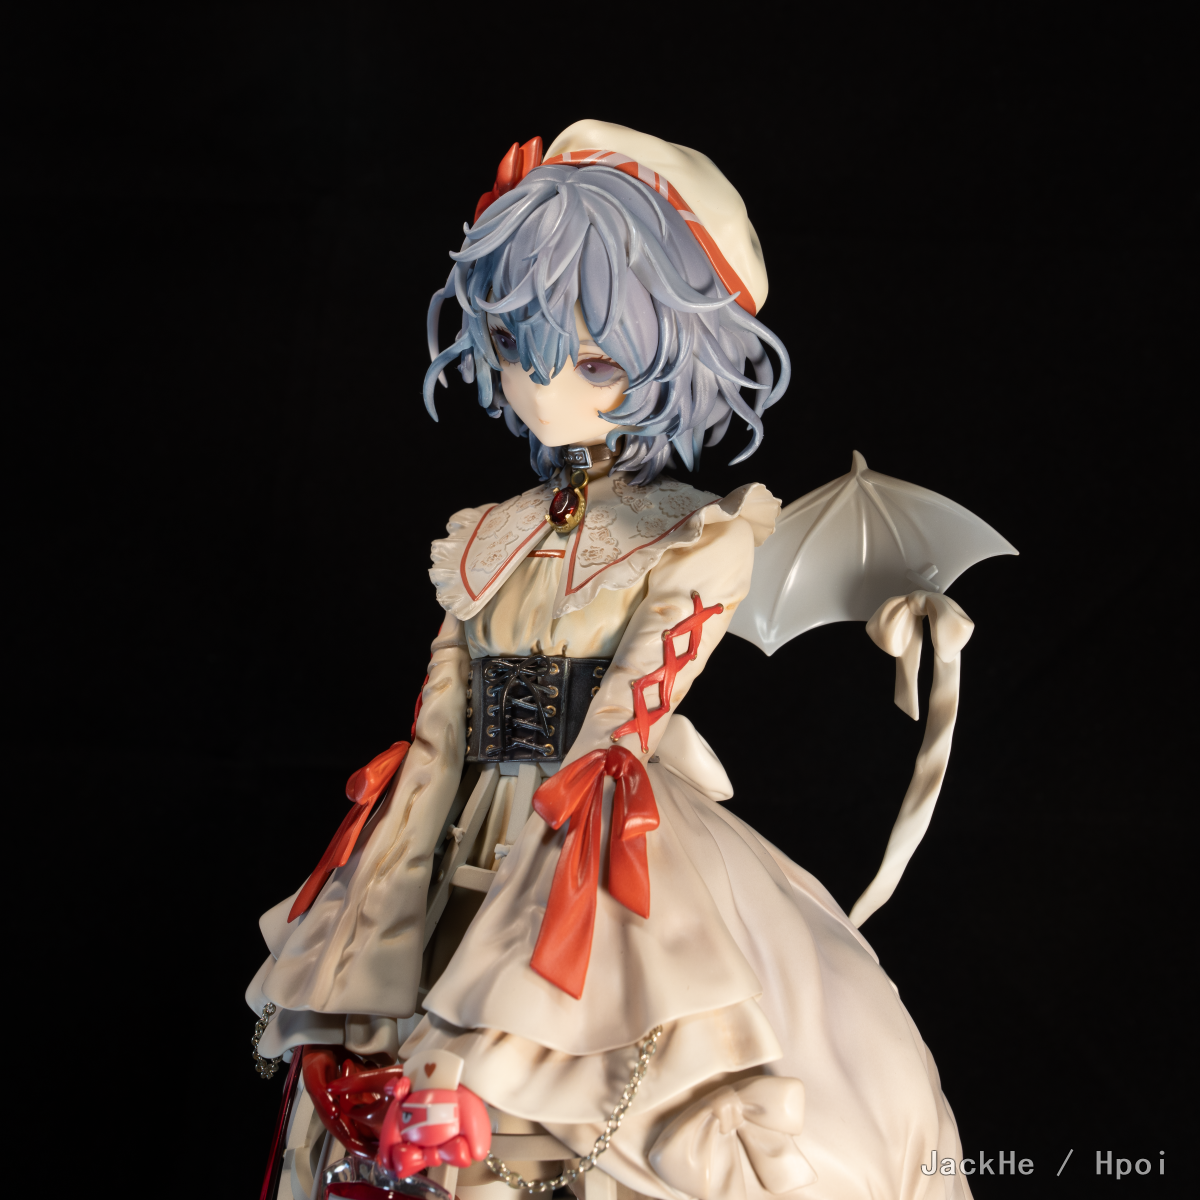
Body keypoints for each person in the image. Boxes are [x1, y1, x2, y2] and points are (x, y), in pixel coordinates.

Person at [248, 120, 972, 1200]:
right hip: (456, 822)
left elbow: (622, 724)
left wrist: (472, 1049)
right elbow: (437, 735)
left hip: (599, 822)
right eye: (516, 346)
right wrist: (367, 948)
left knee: (620, 1085)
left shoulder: (699, 534)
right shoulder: (487, 534)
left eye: (594, 361)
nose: (545, 390)